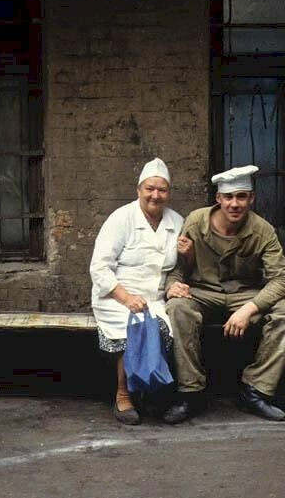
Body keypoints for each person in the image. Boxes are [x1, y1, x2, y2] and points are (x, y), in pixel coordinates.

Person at [163, 165, 285, 423]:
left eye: (241, 196)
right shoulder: (196, 221)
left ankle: (255, 391)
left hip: (244, 294)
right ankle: (191, 393)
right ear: (218, 199)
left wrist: (249, 308)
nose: (234, 204)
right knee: (178, 307)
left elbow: (283, 279)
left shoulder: (262, 230)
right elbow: (176, 271)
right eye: (228, 197)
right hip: (203, 292)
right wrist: (172, 287)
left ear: (251, 198)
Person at [89, 158, 185, 425]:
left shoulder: (177, 222)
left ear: (169, 193)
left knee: (165, 327)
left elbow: (176, 269)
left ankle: (149, 391)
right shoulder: (120, 219)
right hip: (116, 297)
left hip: (154, 297)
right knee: (137, 329)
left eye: (162, 190)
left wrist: (175, 283)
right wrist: (126, 298)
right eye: (150, 188)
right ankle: (123, 395)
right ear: (138, 190)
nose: (156, 195)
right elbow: (99, 268)